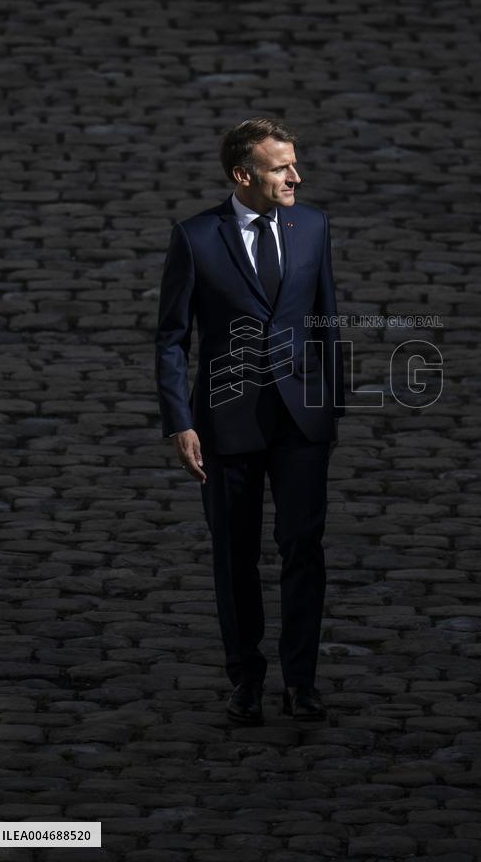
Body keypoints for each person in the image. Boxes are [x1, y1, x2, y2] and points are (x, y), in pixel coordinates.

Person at [155, 118, 344, 724]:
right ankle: (246, 682)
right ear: (244, 176)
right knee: (234, 556)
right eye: (281, 167)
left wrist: (331, 404)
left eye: (294, 163)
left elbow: (326, 317)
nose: (296, 176)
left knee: (302, 549)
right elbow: (172, 339)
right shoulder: (195, 238)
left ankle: (302, 683)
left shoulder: (313, 225)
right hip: (225, 422)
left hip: (300, 423)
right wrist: (179, 421)